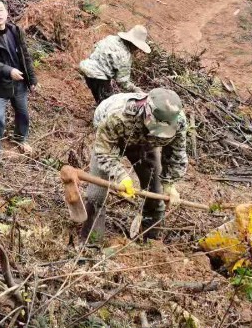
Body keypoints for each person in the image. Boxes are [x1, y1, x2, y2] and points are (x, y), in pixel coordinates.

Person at [81, 88, 190, 242]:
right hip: (112, 138)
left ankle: (151, 241)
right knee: (96, 195)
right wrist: (121, 176)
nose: (158, 132)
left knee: (156, 194)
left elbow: (176, 153)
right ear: (147, 112)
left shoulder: (178, 121)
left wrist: (170, 183)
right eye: (156, 127)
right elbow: (104, 152)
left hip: (145, 143)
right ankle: (90, 244)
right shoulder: (118, 116)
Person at [0, 0, 38, 161]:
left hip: (19, 83)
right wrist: (9, 71)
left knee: (23, 113)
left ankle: (20, 139)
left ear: (6, 12)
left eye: (1, 10)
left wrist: (32, 80)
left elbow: (25, 57)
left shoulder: (15, 31)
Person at [79, 25, 151, 104]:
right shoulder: (125, 55)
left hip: (86, 68)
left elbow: (95, 47)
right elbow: (122, 81)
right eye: (137, 48)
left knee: (100, 97)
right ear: (133, 45)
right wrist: (135, 89)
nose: (137, 50)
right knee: (108, 103)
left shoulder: (111, 38)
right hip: (98, 77)